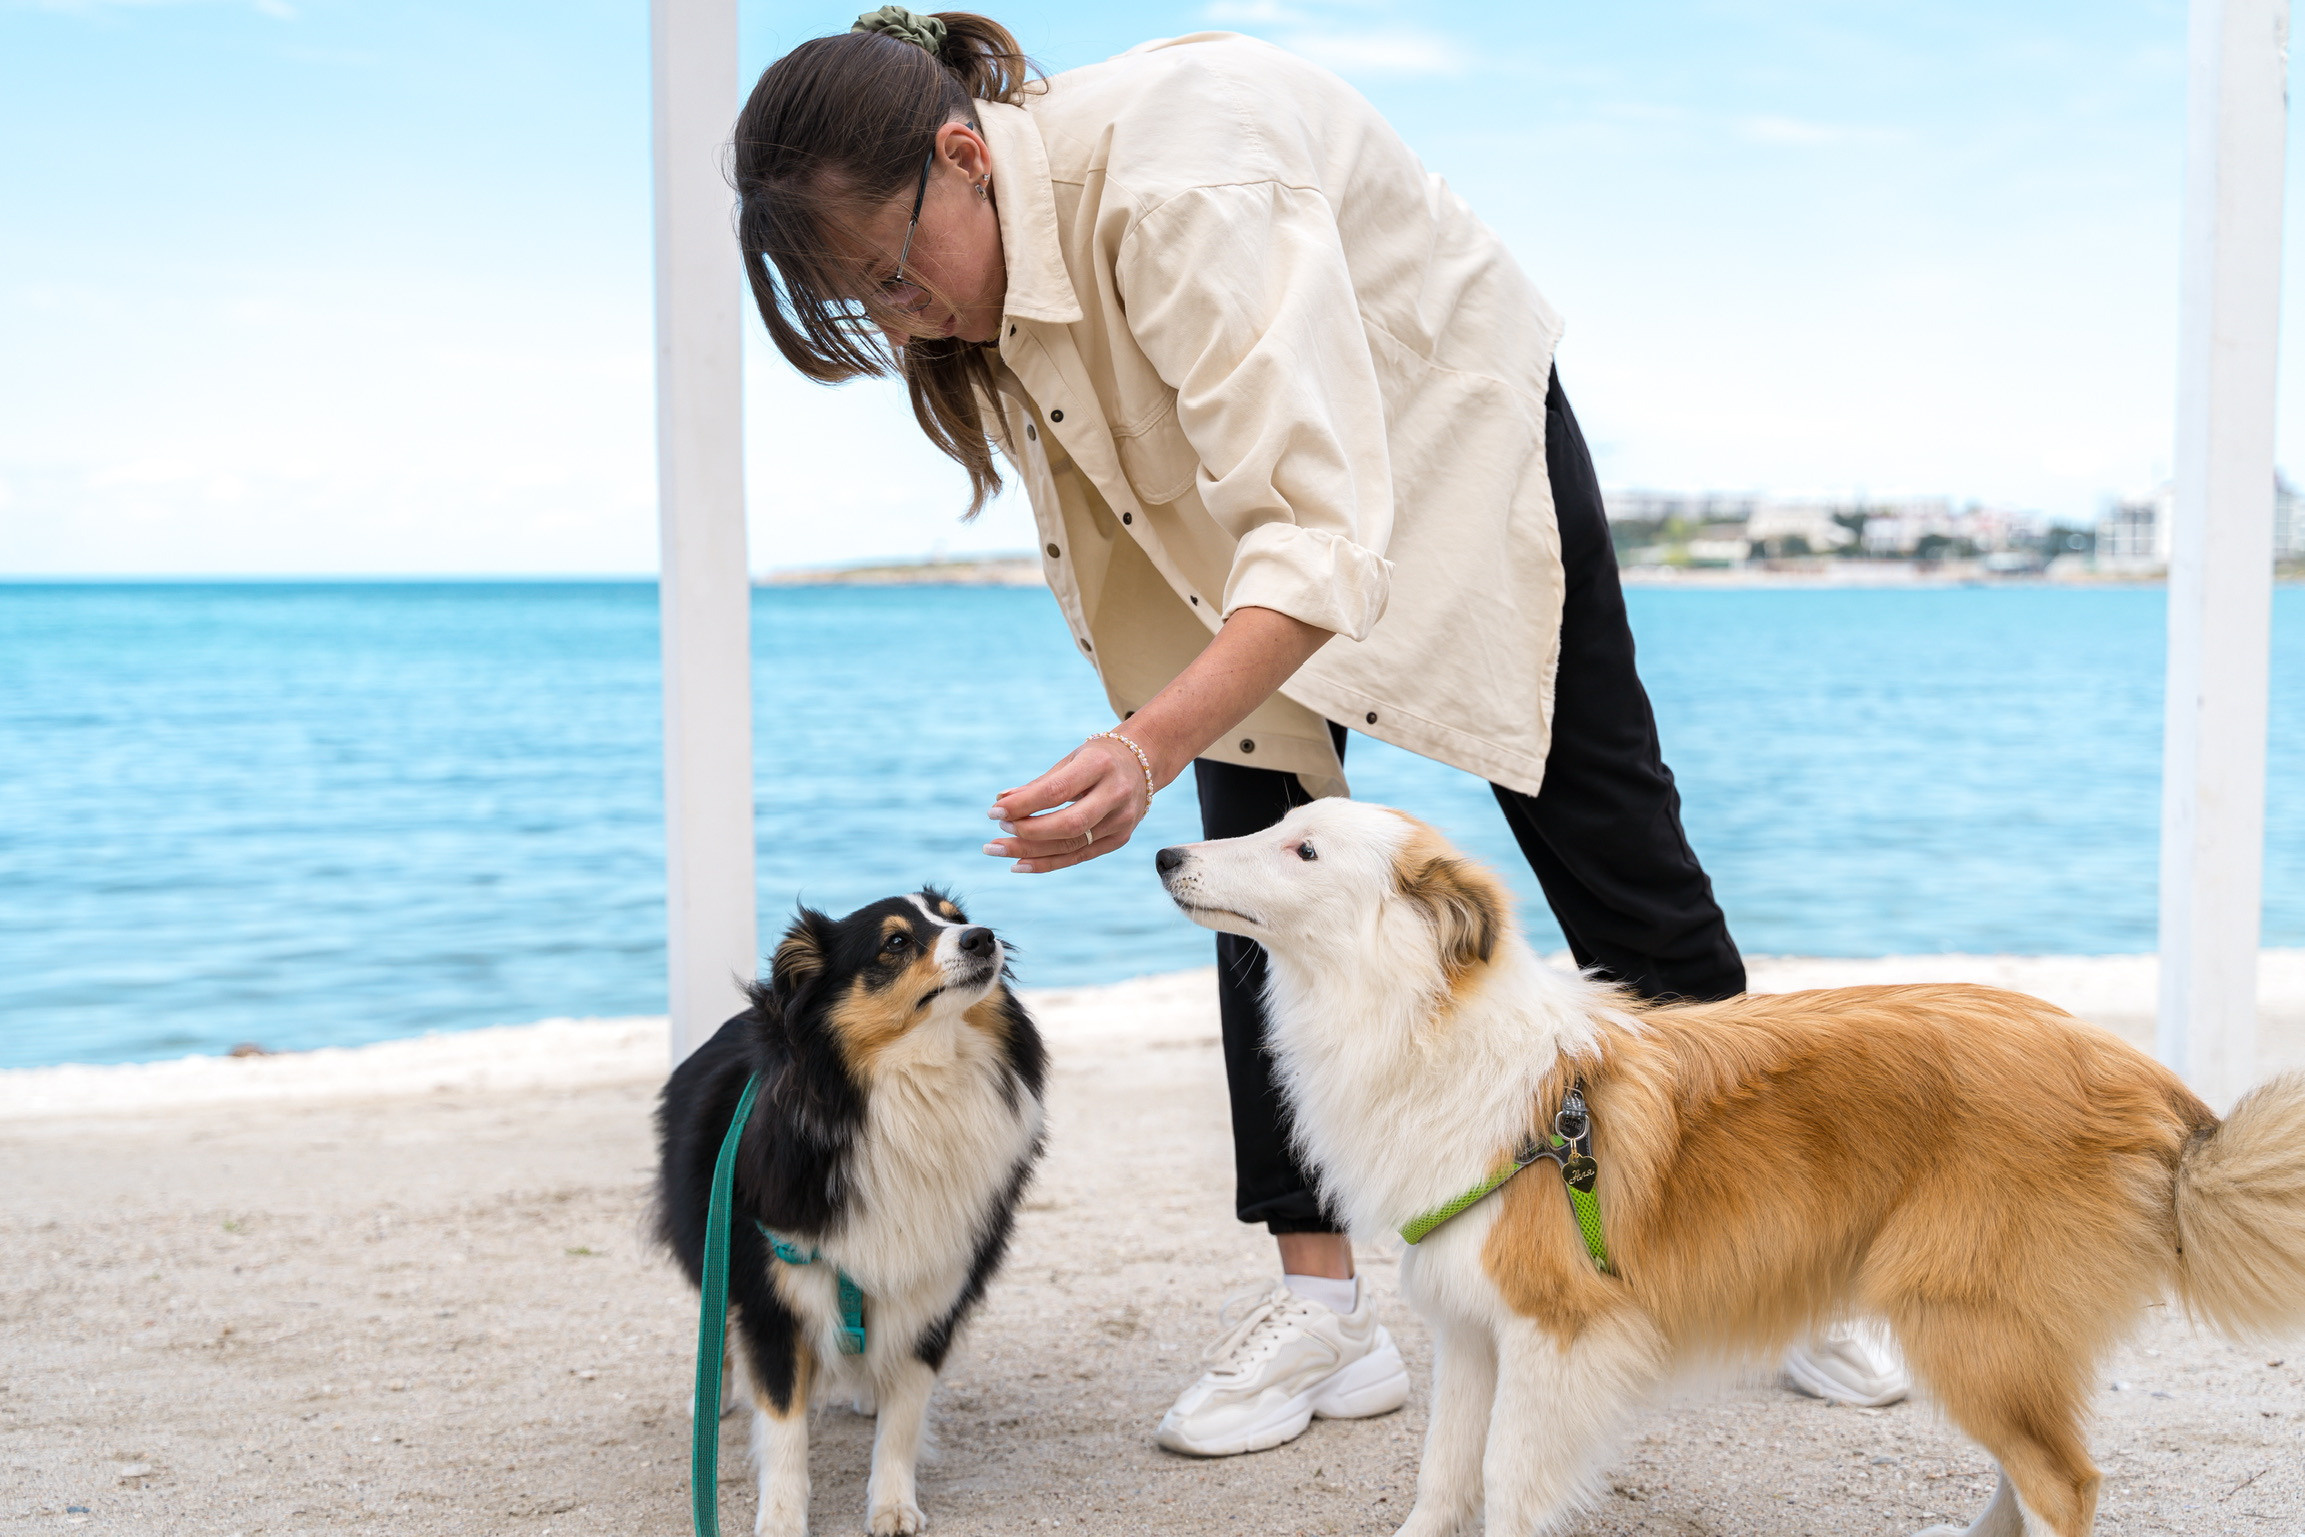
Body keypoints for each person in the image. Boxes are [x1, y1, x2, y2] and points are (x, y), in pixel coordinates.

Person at [730, 6, 1905, 1457]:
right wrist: (1165, 727)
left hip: (1451, 442)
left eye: (895, 274)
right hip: (1250, 529)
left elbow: (1323, 523)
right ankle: (1324, 1312)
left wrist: (1146, 743)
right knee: (1252, 877)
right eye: (868, 305)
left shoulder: (1180, 184)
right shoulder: (988, 253)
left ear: (962, 157)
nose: (903, 316)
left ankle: (1801, 1243)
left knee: (1606, 832)